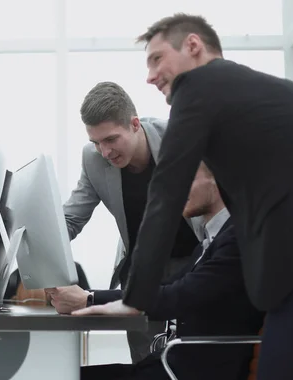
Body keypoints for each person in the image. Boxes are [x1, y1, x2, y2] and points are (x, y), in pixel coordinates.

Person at [92, 14, 293, 379]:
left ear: (193, 45)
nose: (150, 75)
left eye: (157, 58)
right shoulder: (248, 96)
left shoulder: (201, 85)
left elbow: (166, 193)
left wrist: (135, 300)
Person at [75, 163, 265, 380]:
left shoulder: (238, 239)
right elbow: (166, 287)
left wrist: (100, 302)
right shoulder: (213, 240)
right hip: (173, 363)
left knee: (66, 375)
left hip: (194, 372)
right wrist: (89, 297)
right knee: (66, 374)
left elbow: (180, 295)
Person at [61, 81, 203, 362]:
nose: (105, 152)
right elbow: (71, 219)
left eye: (111, 139)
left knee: (191, 357)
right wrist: (41, 245)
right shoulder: (93, 159)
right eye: (96, 142)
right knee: (146, 360)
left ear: (135, 124)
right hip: (143, 269)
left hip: (192, 260)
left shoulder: (179, 139)